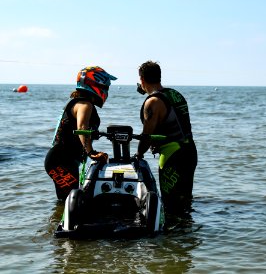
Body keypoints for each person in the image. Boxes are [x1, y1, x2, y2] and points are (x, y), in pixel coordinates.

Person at [135, 60, 197, 218]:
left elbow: (147, 135)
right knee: (185, 201)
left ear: (142, 80)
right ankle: (187, 235)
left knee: (170, 205)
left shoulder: (153, 102)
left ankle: (172, 238)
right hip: (190, 151)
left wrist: (138, 155)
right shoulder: (175, 94)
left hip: (172, 155)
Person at [44, 66, 117, 200]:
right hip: (60, 161)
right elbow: (82, 128)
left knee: (66, 201)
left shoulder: (80, 103)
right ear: (95, 85)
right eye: (106, 87)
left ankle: (55, 220)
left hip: (63, 161)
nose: (107, 91)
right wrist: (91, 152)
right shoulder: (84, 105)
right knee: (72, 200)